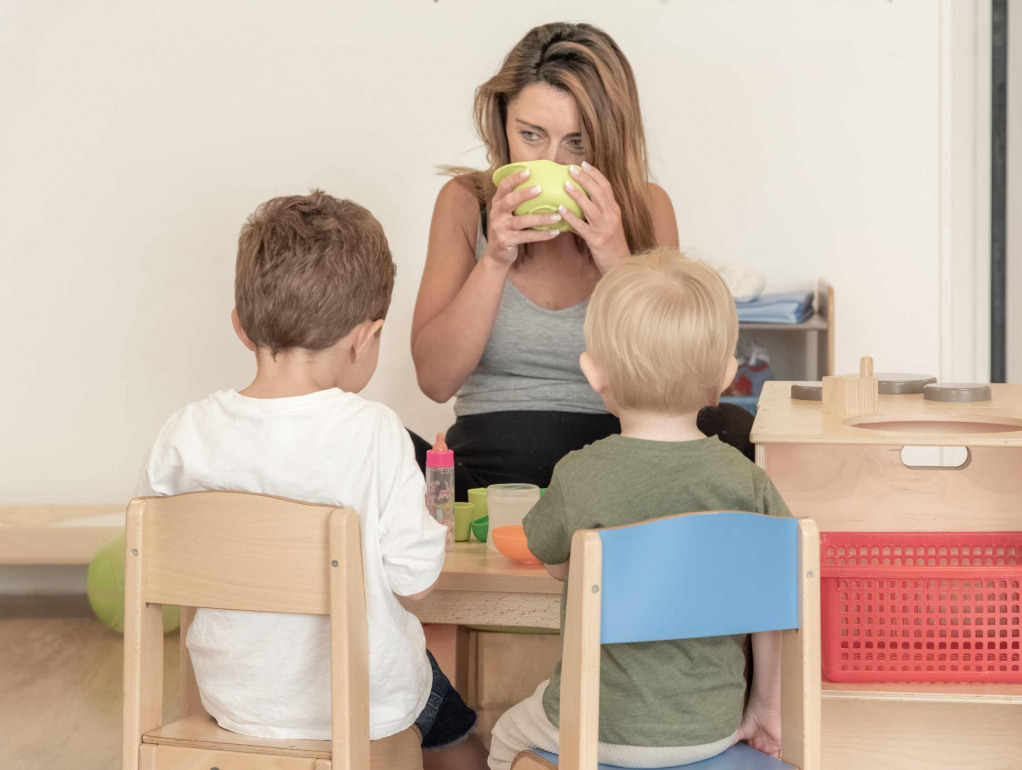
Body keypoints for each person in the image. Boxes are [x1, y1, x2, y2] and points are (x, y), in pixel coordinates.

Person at [135, 191, 485, 770]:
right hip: (360, 707)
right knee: (451, 724)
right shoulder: (373, 431)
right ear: (364, 338)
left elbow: (159, 557)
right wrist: (429, 529)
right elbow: (415, 582)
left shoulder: (185, 432)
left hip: (234, 699)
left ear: (241, 328)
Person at [410, 22, 753, 494]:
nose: (554, 163)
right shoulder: (464, 201)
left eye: (577, 143)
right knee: (378, 443)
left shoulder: (648, 208)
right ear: (502, 122)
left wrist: (617, 260)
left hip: (622, 460)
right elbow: (435, 381)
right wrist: (494, 260)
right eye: (531, 135)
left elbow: (679, 376)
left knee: (736, 429)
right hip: (491, 465)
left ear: (609, 139)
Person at [487, 249, 792, 770]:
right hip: (711, 729)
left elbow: (558, 564)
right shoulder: (750, 483)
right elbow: (775, 603)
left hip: (597, 729)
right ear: (726, 375)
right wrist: (764, 707)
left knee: (504, 736)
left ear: (592, 371)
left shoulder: (579, 474)